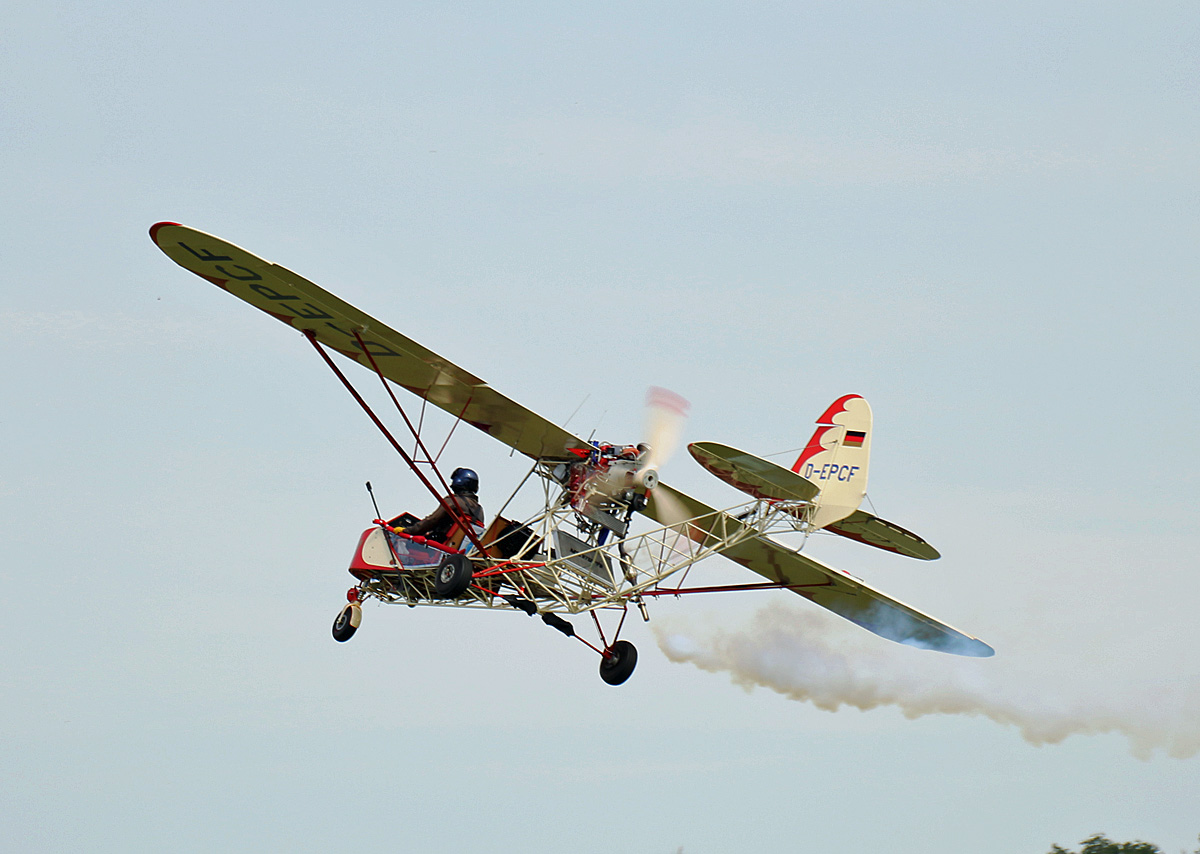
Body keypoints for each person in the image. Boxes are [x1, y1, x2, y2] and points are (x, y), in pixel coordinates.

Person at [401, 467, 484, 544]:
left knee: (401, 542)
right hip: (459, 549)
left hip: (438, 545)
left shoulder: (453, 501)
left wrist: (407, 531)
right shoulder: (479, 510)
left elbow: (432, 520)